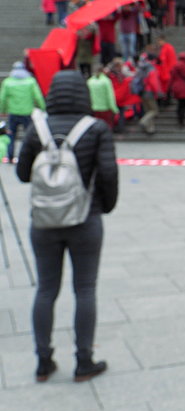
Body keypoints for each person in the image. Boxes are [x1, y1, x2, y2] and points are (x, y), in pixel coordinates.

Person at [16, 70, 118, 383]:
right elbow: (108, 174)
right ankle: (83, 361)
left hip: (44, 221)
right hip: (85, 219)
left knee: (46, 289)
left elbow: (22, 174)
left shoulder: (37, 128)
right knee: (84, 288)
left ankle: (43, 360)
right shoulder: (96, 128)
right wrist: (106, 205)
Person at [0, 62, 46, 163]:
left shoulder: (8, 82)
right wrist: (43, 108)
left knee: (11, 136)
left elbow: (2, 98)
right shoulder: (31, 81)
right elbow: (38, 96)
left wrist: (2, 110)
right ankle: (28, 157)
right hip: (27, 113)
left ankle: (11, 156)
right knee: (29, 135)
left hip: (13, 112)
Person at [136, 54, 164, 135]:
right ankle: (143, 121)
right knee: (154, 111)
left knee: (147, 111)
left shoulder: (141, 68)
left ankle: (150, 129)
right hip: (149, 92)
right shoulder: (151, 69)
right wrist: (159, 92)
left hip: (142, 92)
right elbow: (153, 83)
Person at [87, 65, 119, 130]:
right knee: (106, 128)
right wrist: (114, 109)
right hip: (105, 109)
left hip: (94, 108)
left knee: (95, 128)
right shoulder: (106, 81)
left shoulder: (89, 81)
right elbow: (110, 96)